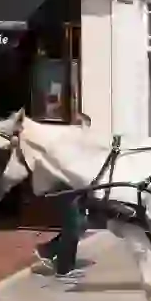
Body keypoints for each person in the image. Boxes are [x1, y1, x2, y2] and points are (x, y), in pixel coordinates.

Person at [35, 112, 92, 280]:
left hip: (77, 189)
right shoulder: (64, 145)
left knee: (79, 225)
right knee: (73, 227)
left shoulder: (79, 145)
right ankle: (64, 269)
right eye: (84, 128)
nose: (87, 133)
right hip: (65, 189)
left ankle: (48, 250)